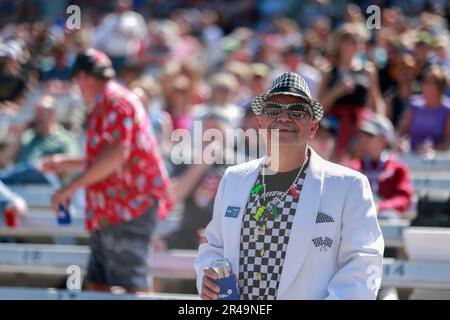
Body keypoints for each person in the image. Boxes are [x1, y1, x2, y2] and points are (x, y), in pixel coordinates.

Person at [195, 72, 384, 300]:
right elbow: (214, 246)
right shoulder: (234, 178)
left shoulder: (349, 186)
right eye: (274, 110)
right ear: (260, 122)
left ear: (313, 127)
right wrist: (206, 278)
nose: (284, 118)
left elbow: (363, 266)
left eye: (297, 112)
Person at [41, 48, 174, 293]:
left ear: (82, 77)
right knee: (97, 284)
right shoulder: (112, 99)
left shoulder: (114, 101)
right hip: (114, 208)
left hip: (128, 206)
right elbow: (112, 158)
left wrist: (69, 188)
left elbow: (115, 156)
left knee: (133, 288)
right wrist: (66, 163)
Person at [349, 114, 413, 219]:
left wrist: (380, 207)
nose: (364, 139)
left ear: (385, 140)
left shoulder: (398, 169)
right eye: (363, 134)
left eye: (370, 135)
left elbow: (403, 198)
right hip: (359, 219)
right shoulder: (354, 167)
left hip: (385, 219)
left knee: (389, 216)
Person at [0, 95, 79, 168]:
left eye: (42, 113)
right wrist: (21, 133)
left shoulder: (64, 139)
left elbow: (71, 167)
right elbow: (3, 160)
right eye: (36, 112)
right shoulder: (27, 136)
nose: (37, 117)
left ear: (53, 115)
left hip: (46, 181)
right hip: (20, 180)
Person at [397, 64, 450, 153]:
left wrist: (433, 150)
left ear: (439, 87)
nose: (424, 84)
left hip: (439, 161)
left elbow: (448, 141)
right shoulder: (414, 105)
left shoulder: (447, 110)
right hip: (413, 157)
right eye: (424, 80)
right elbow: (402, 132)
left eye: (429, 82)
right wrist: (401, 143)